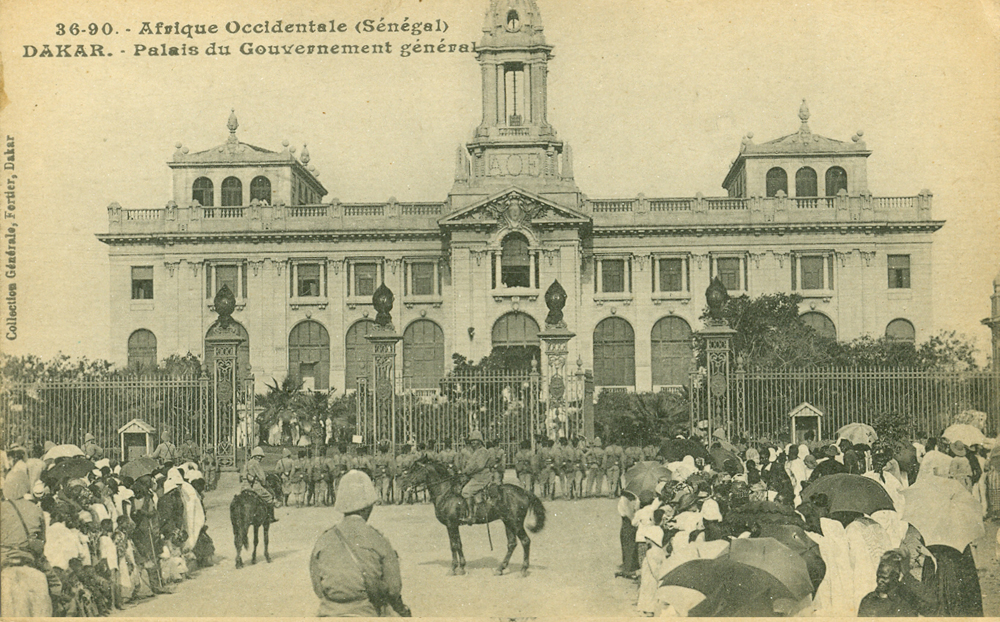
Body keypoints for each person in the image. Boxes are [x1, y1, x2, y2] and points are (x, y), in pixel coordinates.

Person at [310, 470, 410, 617]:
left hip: (328, 613)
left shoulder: (324, 539)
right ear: (368, 506)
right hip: (366, 613)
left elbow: (318, 589)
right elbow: (394, 589)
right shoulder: (378, 540)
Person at [857, 550, 922, 616]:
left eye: (884, 578)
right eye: (878, 576)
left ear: (896, 577)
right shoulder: (867, 601)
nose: (879, 581)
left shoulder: (906, 601)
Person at [460, 431, 493, 524]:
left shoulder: (483, 451)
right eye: (472, 441)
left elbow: (479, 466)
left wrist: (466, 471)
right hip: (475, 476)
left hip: (481, 477)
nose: (473, 443)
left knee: (466, 491)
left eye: (475, 441)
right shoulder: (475, 452)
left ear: (480, 442)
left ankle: (471, 516)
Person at [242, 447, 279, 523]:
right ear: (254, 456)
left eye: (260, 456)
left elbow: (243, 475)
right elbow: (262, 477)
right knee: (269, 497)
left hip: (244, 486)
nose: (259, 457)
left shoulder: (248, 463)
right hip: (255, 486)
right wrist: (264, 483)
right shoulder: (256, 463)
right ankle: (270, 518)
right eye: (257, 456)